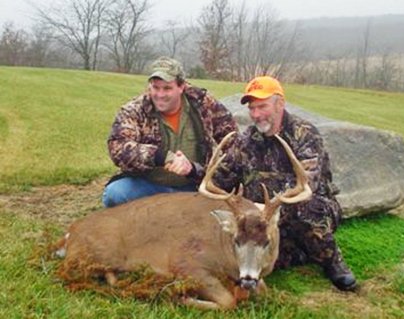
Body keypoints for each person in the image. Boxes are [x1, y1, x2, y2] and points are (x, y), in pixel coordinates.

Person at [213, 76, 357, 291]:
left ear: (280, 104)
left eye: (262, 106)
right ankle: (301, 252)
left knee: (306, 208)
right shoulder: (246, 140)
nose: (256, 114)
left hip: (303, 208)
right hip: (261, 220)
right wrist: (193, 171)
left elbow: (307, 185)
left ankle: (332, 261)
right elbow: (222, 177)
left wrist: (267, 208)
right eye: (252, 108)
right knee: (266, 258)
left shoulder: (304, 134)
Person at [102, 56, 237, 207]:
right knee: (115, 194)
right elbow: (118, 147)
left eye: (167, 88)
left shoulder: (203, 104)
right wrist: (162, 157)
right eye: (155, 87)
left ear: (181, 87)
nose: (159, 95)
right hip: (150, 186)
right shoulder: (134, 110)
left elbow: (233, 141)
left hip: (195, 186)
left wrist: (194, 169)